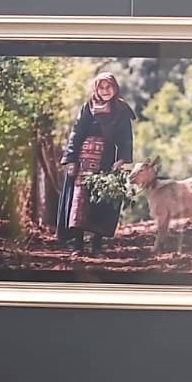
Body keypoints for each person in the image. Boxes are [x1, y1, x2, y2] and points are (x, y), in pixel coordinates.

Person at [56, 72, 136, 255]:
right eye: (101, 87)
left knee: (102, 200)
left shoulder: (121, 110)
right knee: (79, 201)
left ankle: (96, 246)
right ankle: (77, 245)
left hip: (106, 160)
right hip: (83, 161)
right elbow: (76, 133)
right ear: (96, 89)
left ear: (115, 88)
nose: (105, 91)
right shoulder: (88, 107)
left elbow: (126, 138)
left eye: (109, 87)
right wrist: (70, 160)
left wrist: (122, 159)